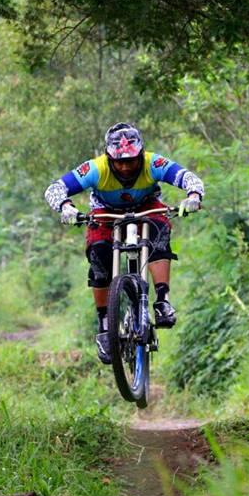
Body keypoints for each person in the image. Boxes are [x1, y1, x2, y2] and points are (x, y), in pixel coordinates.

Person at [44, 123, 204, 364]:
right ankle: (104, 325)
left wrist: (193, 196)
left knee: (159, 235)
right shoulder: (95, 168)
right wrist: (65, 206)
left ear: (141, 154)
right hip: (105, 212)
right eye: (119, 162)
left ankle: (162, 301)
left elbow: (188, 177)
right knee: (99, 257)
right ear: (109, 158)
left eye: (131, 161)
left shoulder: (153, 163)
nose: (126, 167)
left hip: (147, 206)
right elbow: (55, 188)